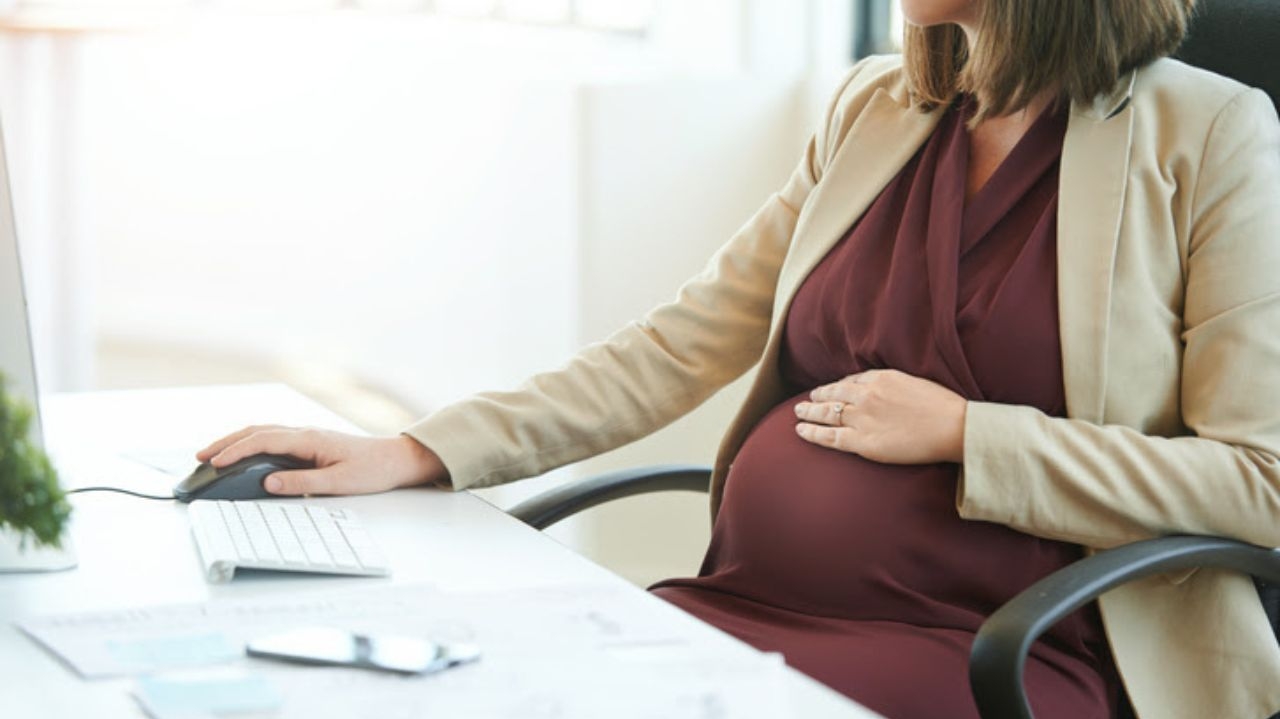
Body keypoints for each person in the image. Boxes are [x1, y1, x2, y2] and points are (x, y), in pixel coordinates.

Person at [197, 0, 1280, 716]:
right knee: (474, 681)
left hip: (995, 646)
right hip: (746, 600)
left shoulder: (1212, 137)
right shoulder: (877, 107)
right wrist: (420, 447)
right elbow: (676, 343)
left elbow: (1258, 481)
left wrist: (966, 433)